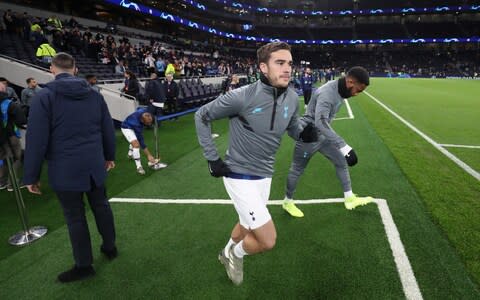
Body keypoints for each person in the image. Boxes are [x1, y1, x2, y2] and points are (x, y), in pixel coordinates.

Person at [194, 42, 316, 285]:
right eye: (279, 63)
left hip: (265, 174)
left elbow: (293, 128)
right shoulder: (242, 96)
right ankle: (233, 254)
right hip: (239, 174)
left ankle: (227, 250)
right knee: (267, 240)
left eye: (289, 63)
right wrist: (212, 158)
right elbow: (202, 116)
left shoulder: (292, 97)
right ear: (263, 67)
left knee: (246, 225)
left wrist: (304, 133)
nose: (287, 68)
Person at [22, 53, 117, 283]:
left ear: (52, 70)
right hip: (94, 165)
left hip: (65, 169)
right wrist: (109, 156)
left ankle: (84, 265)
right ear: (75, 69)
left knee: (75, 217)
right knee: (101, 206)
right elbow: (107, 127)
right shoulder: (94, 95)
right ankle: (110, 247)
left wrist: (31, 176)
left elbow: (36, 140)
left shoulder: (44, 97)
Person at [282, 66, 374, 218]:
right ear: (350, 81)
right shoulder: (327, 93)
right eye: (358, 90)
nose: (357, 94)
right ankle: (287, 201)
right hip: (309, 137)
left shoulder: (341, 90)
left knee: (341, 162)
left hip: (323, 137)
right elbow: (320, 122)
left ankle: (349, 198)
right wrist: (343, 146)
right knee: (297, 169)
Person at [121, 108, 167, 175]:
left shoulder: (146, 111)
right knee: (136, 144)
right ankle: (139, 167)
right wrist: (149, 155)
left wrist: (154, 121)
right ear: (142, 121)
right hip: (127, 127)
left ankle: (130, 154)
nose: (149, 124)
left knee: (134, 140)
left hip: (133, 124)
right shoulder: (136, 124)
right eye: (147, 123)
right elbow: (141, 141)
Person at [0, 81, 27, 191]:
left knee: (2, 158)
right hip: (10, 135)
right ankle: (12, 184)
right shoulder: (9, 103)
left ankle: (1, 182)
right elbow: (21, 120)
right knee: (17, 158)